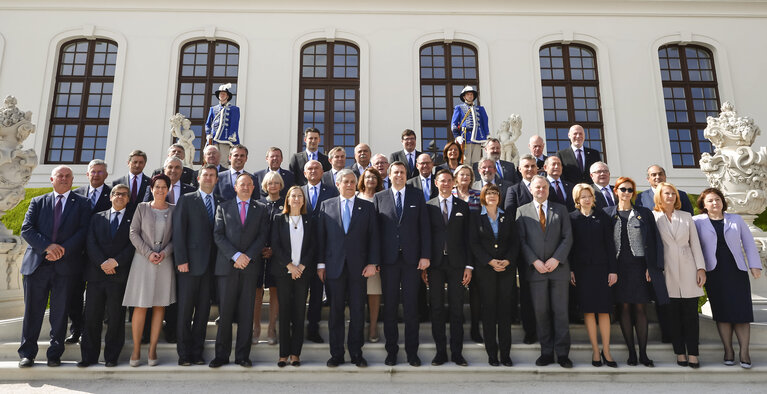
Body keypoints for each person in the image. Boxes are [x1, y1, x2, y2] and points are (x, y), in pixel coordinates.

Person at [18, 166, 90, 368]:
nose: (64, 179)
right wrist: (47, 247)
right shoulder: (38, 202)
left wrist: (63, 249)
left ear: (72, 179)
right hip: (37, 266)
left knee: (60, 313)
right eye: (60, 175)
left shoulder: (83, 204)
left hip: (66, 267)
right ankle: (27, 353)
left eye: (68, 176)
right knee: (33, 312)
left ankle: (54, 354)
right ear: (52, 179)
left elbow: (84, 231)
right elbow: (27, 229)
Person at [693, 188, 762, 369]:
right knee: (722, 312)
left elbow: (748, 242)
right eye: (710, 201)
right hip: (714, 272)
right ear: (704, 205)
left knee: (742, 312)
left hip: (736, 270)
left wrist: (755, 265)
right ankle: (728, 350)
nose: (714, 203)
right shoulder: (697, 221)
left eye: (717, 199)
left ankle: (744, 353)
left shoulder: (736, 219)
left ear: (722, 201)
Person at [604, 176, 669, 367]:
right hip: (618, 268)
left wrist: (653, 267)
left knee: (640, 308)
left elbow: (655, 240)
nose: (626, 193)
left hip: (640, 267)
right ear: (616, 191)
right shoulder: (607, 213)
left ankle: (643, 353)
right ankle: (631, 352)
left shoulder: (643, 213)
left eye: (630, 190)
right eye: (623, 189)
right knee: (623, 307)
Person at [318, 169, 380, 367]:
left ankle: (356, 353)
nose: (350, 185)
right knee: (335, 313)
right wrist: (320, 265)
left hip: (359, 268)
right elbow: (321, 239)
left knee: (357, 313)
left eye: (353, 181)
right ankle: (336, 354)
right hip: (334, 268)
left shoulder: (367, 207)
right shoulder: (326, 206)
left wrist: (372, 263)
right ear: (338, 184)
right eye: (346, 181)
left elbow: (374, 238)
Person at [375, 161, 431, 367]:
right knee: (389, 308)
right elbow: (375, 233)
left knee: (411, 308)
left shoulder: (417, 195)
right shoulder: (379, 198)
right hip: (388, 262)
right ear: (388, 175)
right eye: (395, 172)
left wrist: (425, 256)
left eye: (402, 172)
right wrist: (375, 259)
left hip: (412, 261)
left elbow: (424, 228)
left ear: (406, 175)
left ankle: (412, 352)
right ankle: (392, 351)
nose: (398, 175)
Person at [210, 173, 268, 368]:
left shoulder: (261, 209)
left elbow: (262, 236)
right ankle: (221, 355)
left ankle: (242, 355)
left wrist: (247, 256)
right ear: (235, 187)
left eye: (249, 185)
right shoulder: (223, 207)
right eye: (241, 184)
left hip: (250, 268)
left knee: (246, 314)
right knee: (225, 313)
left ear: (253, 188)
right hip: (227, 267)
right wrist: (235, 256)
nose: (245, 187)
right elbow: (218, 235)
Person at [516, 175, 574, 368]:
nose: (541, 190)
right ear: (531, 189)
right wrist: (534, 261)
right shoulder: (521, 211)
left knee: (560, 312)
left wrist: (556, 259)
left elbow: (567, 237)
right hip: (536, 271)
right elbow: (521, 241)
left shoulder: (561, 209)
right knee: (541, 312)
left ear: (548, 190)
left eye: (544, 187)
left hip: (559, 269)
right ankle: (547, 352)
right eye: (537, 187)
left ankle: (563, 353)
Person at [123, 174, 176, 367]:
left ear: (168, 189)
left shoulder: (174, 210)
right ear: (151, 189)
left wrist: (165, 252)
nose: (160, 190)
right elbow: (133, 232)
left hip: (164, 261)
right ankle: (137, 349)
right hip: (143, 261)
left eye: (164, 187)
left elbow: (176, 237)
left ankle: (152, 349)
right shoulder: (142, 207)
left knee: (159, 305)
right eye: (157, 187)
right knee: (141, 305)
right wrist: (148, 253)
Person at [78, 184, 134, 368]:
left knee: (116, 318)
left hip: (119, 276)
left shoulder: (133, 220)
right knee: (92, 316)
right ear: (110, 197)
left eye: (124, 195)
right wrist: (102, 263)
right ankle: (88, 356)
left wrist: (115, 262)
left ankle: (111, 356)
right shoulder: (97, 218)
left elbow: (132, 246)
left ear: (128, 199)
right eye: (117, 194)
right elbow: (90, 243)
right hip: (96, 274)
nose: (120, 197)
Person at [652, 182, 706, 368]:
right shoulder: (653, 217)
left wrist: (700, 268)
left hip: (688, 268)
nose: (671, 197)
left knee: (691, 314)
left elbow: (696, 244)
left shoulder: (686, 216)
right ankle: (680, 353)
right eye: (667, 193)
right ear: (659, 196)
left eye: (673, 194)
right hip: (667, 271)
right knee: (672, 315)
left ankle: (693, 353)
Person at [172, 165, 222, 366]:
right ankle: (184, 354)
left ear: (217, 180)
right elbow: (178, 232)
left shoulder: (221, 202)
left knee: (202, 313)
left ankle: (197, 352)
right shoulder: (186, 199)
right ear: (198, 178)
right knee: (185, 312)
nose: (209, 178)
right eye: (205, 175)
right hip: (189, 266)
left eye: (212, 175)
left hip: (212, 267)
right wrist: (181, 260)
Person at [424, 169, 472, 366]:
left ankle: (457, 352)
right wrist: (424, 265)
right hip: (435, 264)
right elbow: (424, 236)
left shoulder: (463, 206)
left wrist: (469, 266)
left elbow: (468, 238)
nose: (445, 184)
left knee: (456, 309)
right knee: (436, 308)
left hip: (457, 265)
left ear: (453, 183)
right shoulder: (428, 207)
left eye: (448, 181)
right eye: (441, 181)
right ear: (436, 183)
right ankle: (440, 352)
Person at [568, 184, 618, 368]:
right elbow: (570, 248)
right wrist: (571, 270)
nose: (587, 199)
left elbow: (610, 244)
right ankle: (596, 351)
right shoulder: (572, 218)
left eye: (589, 195)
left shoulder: (603, 217)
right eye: (583, 196)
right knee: (589, 311)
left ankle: (607, 351)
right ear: (577, 200)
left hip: (603, 270)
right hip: (582, 271)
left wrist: (613, 270)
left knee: (604, 310)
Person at [470, 184, 520, 366]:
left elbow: (515, 242)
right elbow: (474, 243)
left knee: (505, 313)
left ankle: (505, 354)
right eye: (488, 193)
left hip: (506, 269)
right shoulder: (476, 217)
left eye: (495, 193)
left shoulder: (507, 216)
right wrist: (489, 261)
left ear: (499, 197)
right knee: (489, 312)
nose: (492, 196)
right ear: (483, 196)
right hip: (485, 270)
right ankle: (492, 354)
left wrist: (508, 260)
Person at [68, 159, 112, 345]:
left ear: (106, 175)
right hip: (78, 253)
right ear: (87, 174)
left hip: (101, 253)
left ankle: (92, 328)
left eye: (100, 172)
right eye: (93, 172)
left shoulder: (113, 194)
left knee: (97, 296)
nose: (96, 175)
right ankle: (76, 329)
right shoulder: (76, 194)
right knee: (74, 293)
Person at [271, 186, 316, 367]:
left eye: (299, 196)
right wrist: (290, 266)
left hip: (303, 274)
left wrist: (301, 266)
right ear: (287, 200)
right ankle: (283, 354)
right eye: (293, 196)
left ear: (303, 200)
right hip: (284, 272)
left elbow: (313, 245)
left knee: (298, 313)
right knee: (285, 312)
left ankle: (295, 354)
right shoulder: (278, 219)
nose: (296, 199)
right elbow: (275, 244)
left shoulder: (310, 220)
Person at [502, 154, 540, 344]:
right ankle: (520, 324)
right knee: (517, 288)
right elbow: (510, 216)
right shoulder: (513, 190)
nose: (530, 169)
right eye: (526, 166)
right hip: (517, 245)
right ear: (519, 169)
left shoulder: (542, 188)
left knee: (531, 290)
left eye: (533, 166)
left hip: (538, 248)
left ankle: (534, 328)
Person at [302, 159, 339, 343]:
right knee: (299, 293)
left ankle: (313, 328)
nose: (313, 171)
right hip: (300, 251)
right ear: (304, 173)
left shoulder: (332, 192)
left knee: (317, 292)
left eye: (316, 168)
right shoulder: (297, 192)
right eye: (309, 168)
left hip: (323, 249)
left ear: (323, 171)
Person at [253, 171, 284, 345]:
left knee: (274, 290)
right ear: (265, 186)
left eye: (276, 183)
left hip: (277, 255)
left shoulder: (285, 203)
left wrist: (274, 249)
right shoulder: (258, 204)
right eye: (270, 183)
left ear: (280, 185)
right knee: (256, 291)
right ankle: (255, 327)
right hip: (258, 253)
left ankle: (272, 327)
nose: (273, 186)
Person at [357, 167, 384, 343]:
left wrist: (377, 258)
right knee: (357, 292)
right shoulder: (355, 198)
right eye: (367, 177)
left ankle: (373, 327)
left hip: (376, 252)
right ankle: (358, 327)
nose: (371, 180)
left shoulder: (382, 198)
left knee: (374, 292)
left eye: (374, 177)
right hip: (356, 252)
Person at [451, 85, 489, 165]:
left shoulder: (480, 109)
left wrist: (487, 136)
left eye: (471, 94)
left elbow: (484, 122)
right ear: (464, 96)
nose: (470, 96)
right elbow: (454, 124)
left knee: (476, 162)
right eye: (468, 94)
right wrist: (457, 136)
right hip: (465, 137)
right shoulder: (459, 108)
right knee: (465, 161)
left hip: (478, 137)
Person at [205, 83, 240, 164]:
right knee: (211, 161)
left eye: (224, 94)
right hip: (213, 139)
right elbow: (208, 124)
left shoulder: (234, 109)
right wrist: (208, 134)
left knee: (223, 161)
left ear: (227, 96)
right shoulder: (213, 109)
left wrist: (232, 136)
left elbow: (234, 124)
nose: (222, 95)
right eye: (220, 94)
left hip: (226, 139)